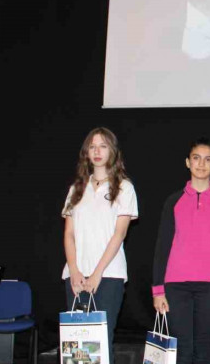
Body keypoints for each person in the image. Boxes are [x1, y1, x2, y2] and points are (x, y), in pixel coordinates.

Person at [152, 137, 210, 364]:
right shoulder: (173, 201)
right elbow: (162, 245)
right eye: (196, 158)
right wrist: (158, 289)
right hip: (175, 287)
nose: (201, 164)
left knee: (203, 351)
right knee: (182, 351)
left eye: (208, 159)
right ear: (188, 162)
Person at [61, 127, 138, 351]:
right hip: (75, 276)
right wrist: (74, 270)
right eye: (92, 146)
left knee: (99, 345)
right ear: (86, 152)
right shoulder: (76, 188)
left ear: (112, 151)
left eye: (103, 146)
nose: (97, 151)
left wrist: (96, 274)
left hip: (108, 276)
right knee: (77, 349)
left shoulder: (124, 187)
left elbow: (119, 234)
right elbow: (69, 233)